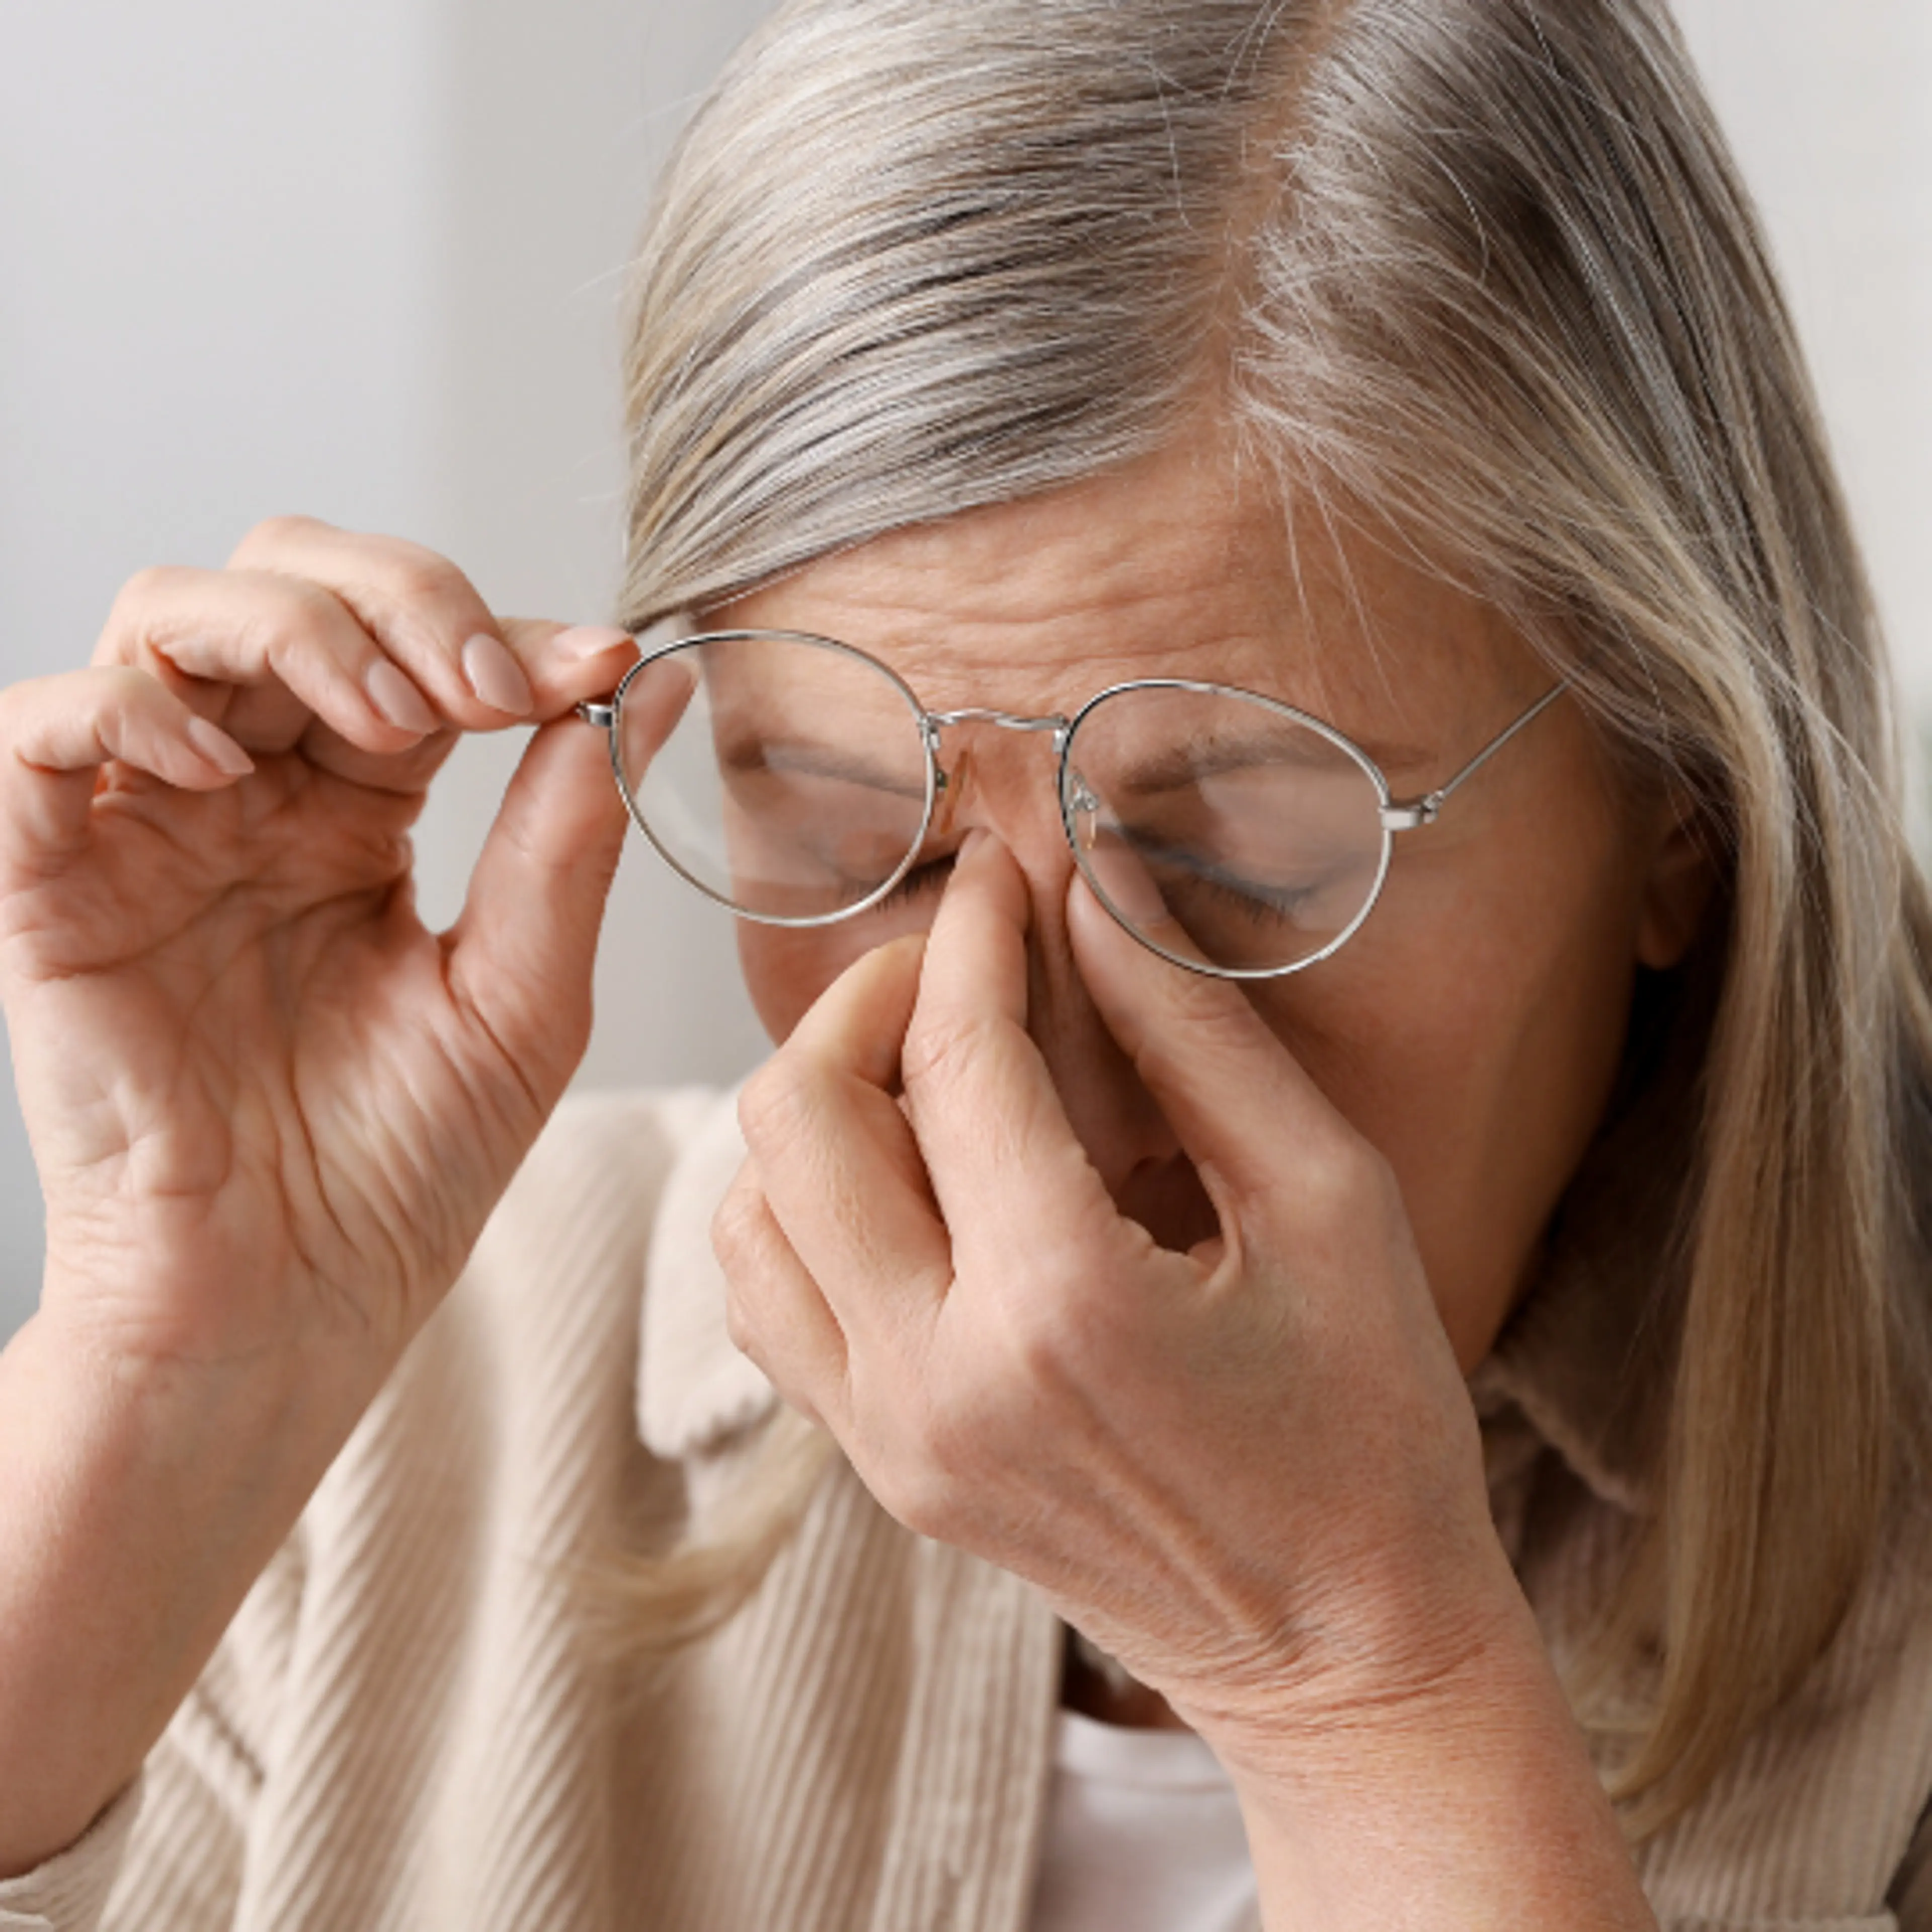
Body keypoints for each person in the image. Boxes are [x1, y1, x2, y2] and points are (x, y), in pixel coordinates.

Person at [1, 0, 1928, 1924]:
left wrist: (1355, 1683)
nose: (1029, 1081)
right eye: (863, 832)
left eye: (1238, 858)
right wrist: (167, 1367)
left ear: (1688, 795)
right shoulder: (428, 1344)